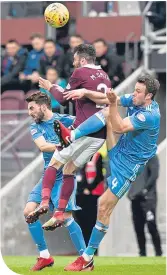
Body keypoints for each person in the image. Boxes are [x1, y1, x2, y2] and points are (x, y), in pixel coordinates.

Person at [52, 74, 161, 271]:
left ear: (149, 96)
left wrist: (112, 105)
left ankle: (87, 258)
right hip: (119, 151)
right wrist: (86, 92)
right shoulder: (137, 99)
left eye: (138, 92)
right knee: (105, 112)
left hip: (129, 166)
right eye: (135, 89)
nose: (134, 94)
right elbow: (111, 98)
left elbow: (119, 127)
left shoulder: (150, 115)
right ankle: (72, 135)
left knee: (103, 206)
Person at [27, 44, 111, 231]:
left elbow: (64, 98)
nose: (72, 62)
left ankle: (45, 202)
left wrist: (51, 86)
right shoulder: (104, 75)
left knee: (54, 163)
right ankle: (59, 213)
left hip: (83, 129)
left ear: (82, 60)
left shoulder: (80, 73)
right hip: (99, 136)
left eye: (74, 59)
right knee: (70, 169)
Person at [24, 92, 87, 271]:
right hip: (47, 176)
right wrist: (65, 144)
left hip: (64, 176)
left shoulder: (66, 120)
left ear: (43, 106)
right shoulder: (35, 127)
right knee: (28, 212)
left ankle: (85, 258)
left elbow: (86, 129)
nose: (30, 112)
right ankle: (45, 256)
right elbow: (43, 146)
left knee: (67, 217)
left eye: (32, 108)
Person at [128, 155, 162, 257]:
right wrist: (130, 192)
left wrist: (145, 189)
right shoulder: (134, 158)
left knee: (151, 226)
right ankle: (142, 253)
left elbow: (154, 175)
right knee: (138, 227)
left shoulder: (152, 156)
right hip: (135, 199)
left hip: (148, 199)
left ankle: (158, 253)